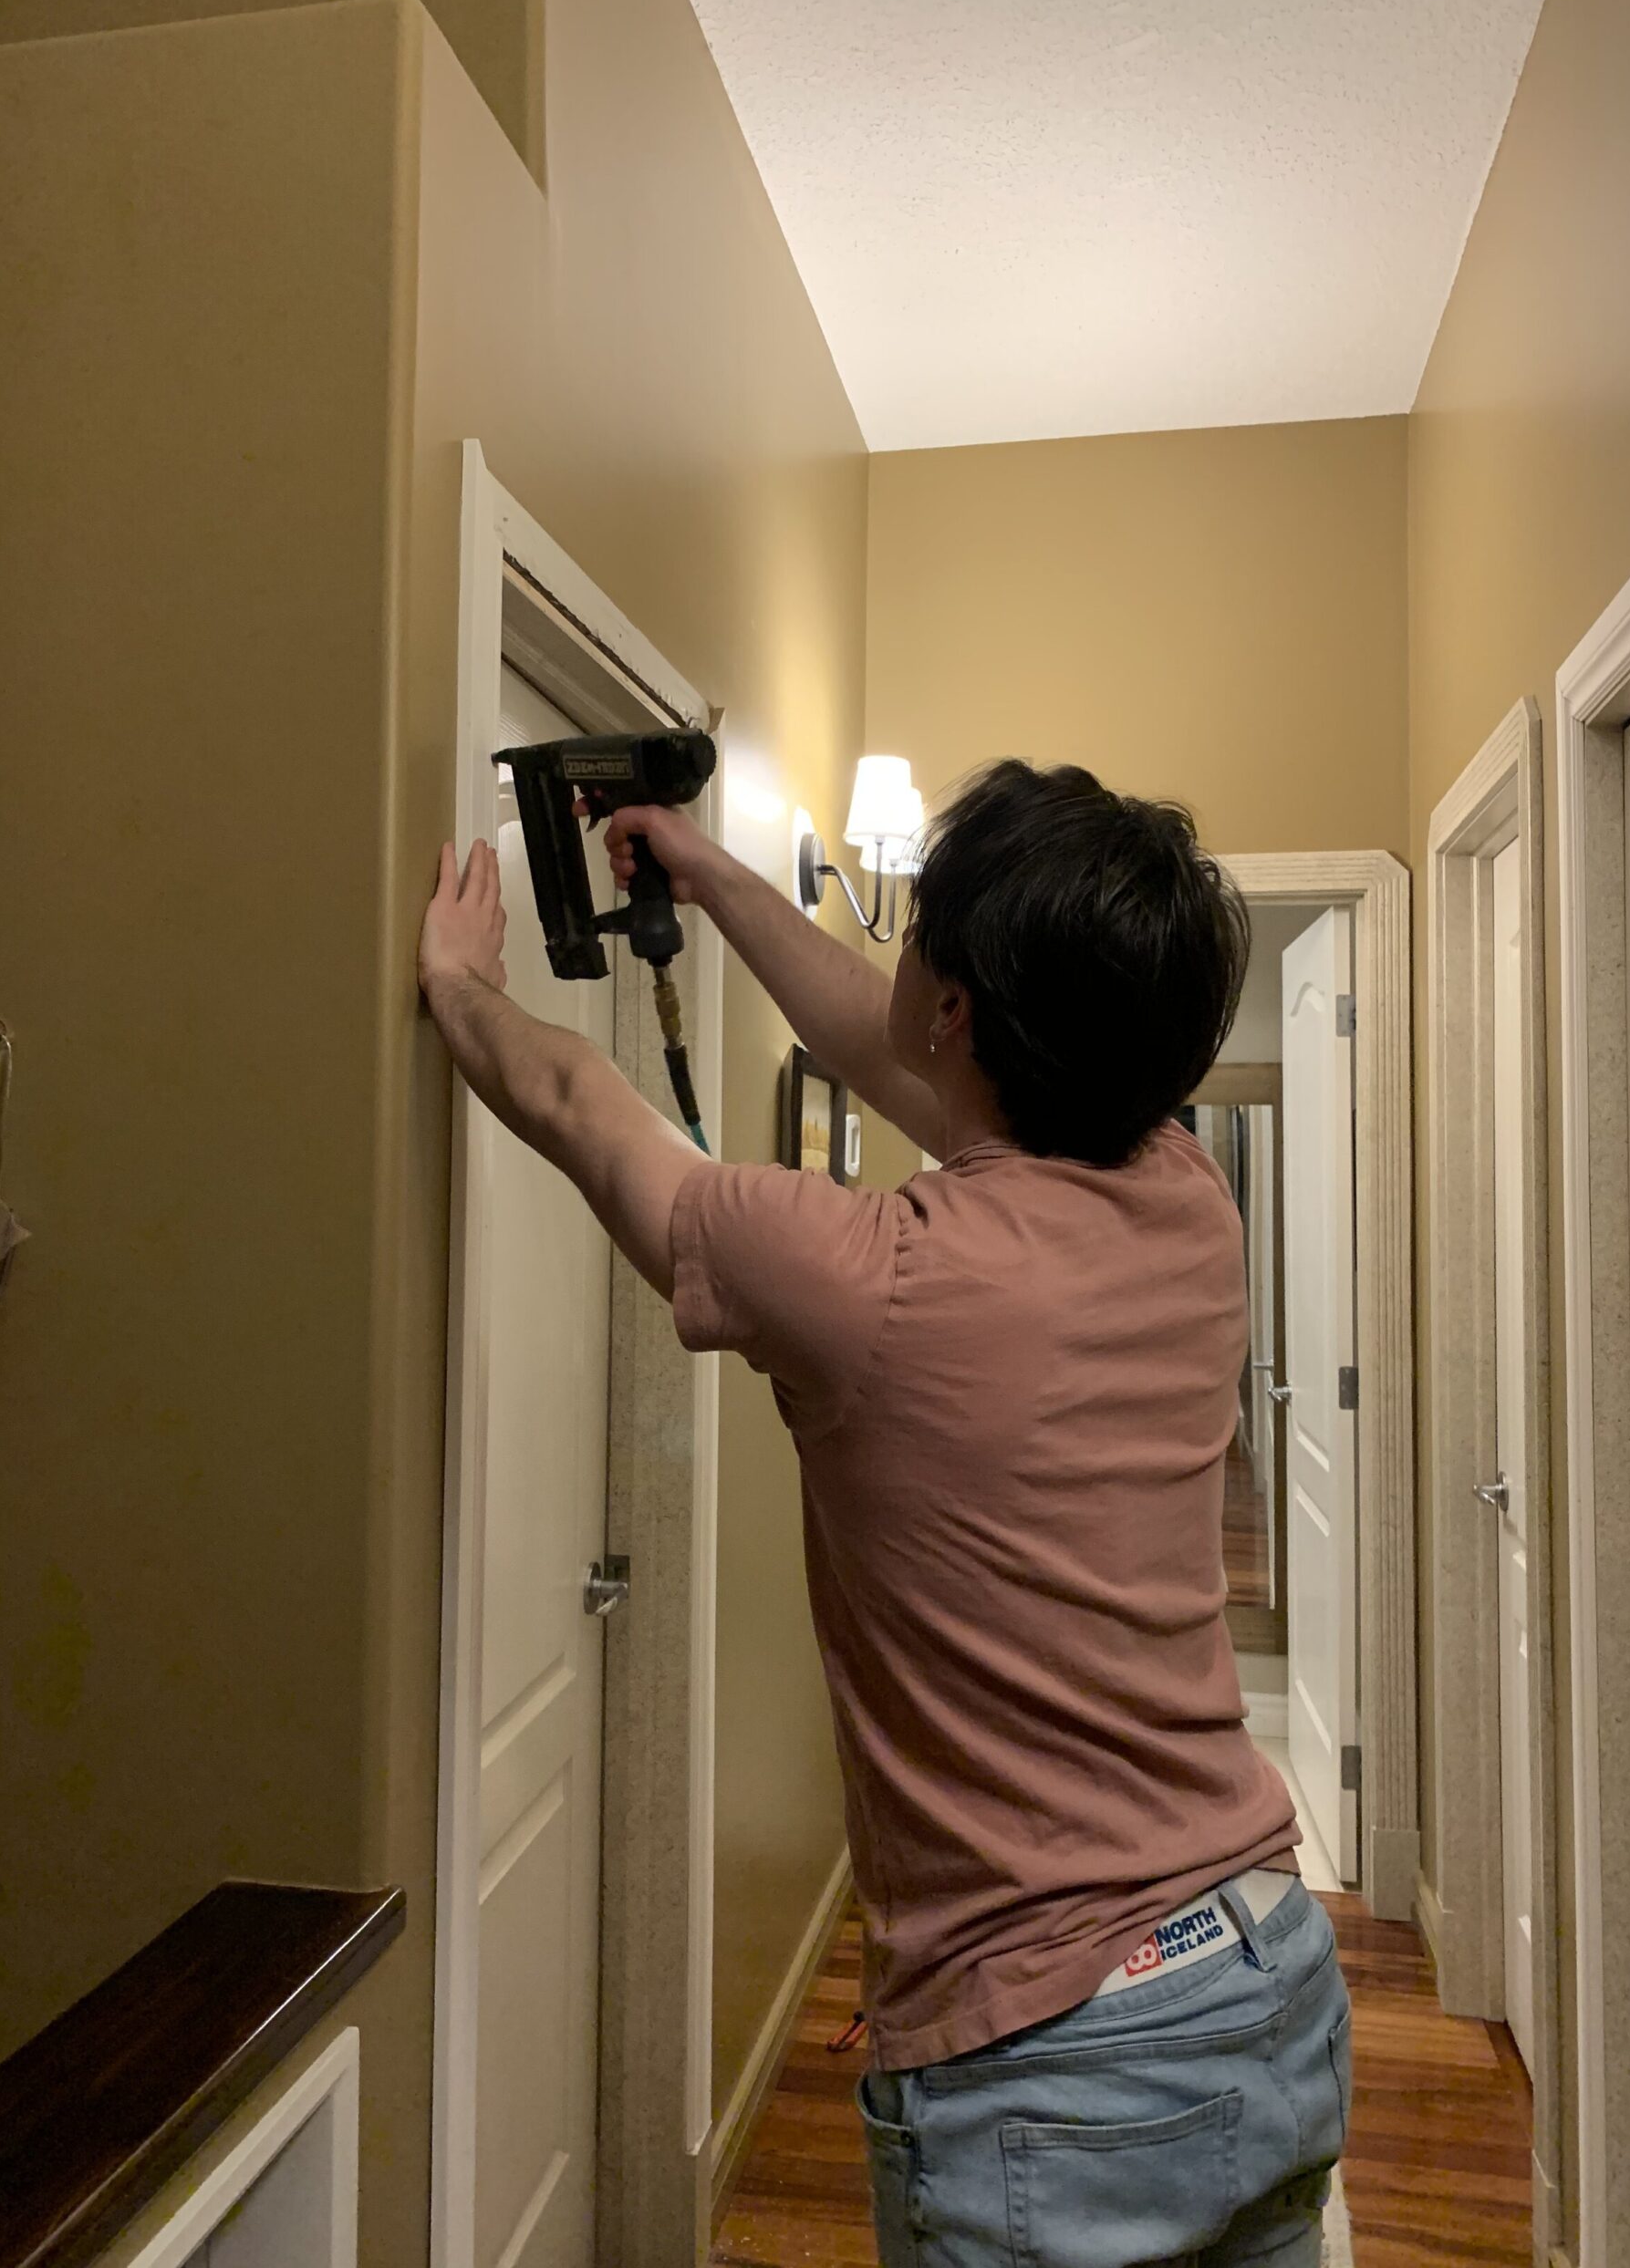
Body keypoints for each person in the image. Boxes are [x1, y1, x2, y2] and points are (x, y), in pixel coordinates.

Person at [419, 756, 1352, 2268]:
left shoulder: (868, 1279)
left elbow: (575, 1101)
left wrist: (464, 985)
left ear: (959, 1012)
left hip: (1055, 2055)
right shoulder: (1188, 1195)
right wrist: (715, 879)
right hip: (1265, 1972)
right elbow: (886, 1043)